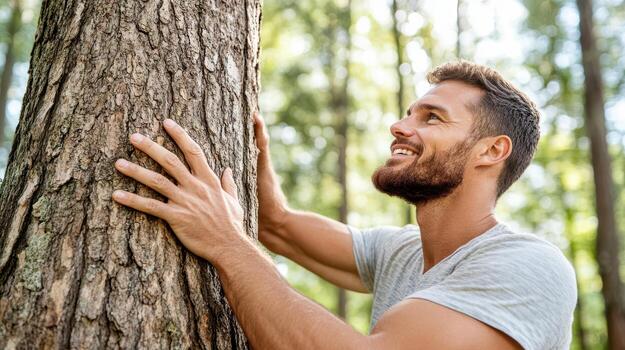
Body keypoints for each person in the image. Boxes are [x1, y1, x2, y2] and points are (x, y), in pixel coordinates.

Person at [112, 60, 577, 349]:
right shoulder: (402, 251)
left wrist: (227, 243)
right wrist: (252, 156)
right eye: (408, 113)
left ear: (491, 151)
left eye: (431, 118)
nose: (399, 125)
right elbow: (276, 226)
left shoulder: (529, 266)